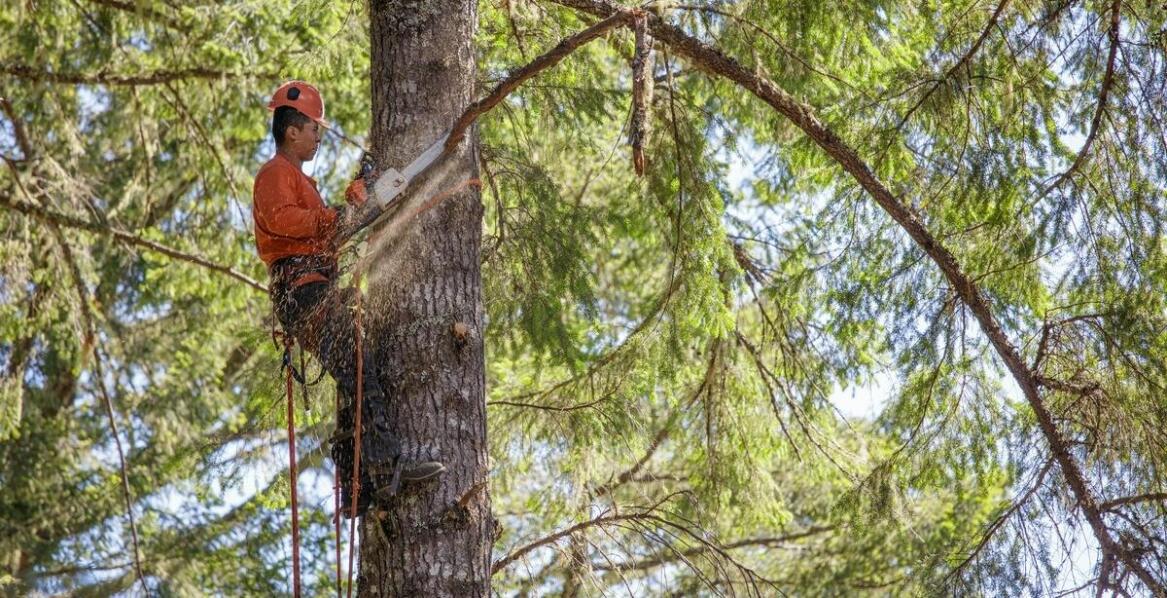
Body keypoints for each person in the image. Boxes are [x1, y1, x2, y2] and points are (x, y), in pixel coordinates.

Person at [252, 81, 444, 517]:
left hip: (310, 287)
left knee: (350, 370)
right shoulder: (275, 174)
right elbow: (285, 221)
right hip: (301, 290)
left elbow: (319, 230)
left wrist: (355, 202)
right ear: (291, 132)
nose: (319, 137)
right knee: (358, 365)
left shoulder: (299, 180)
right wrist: (335, 216)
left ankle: (357, 489)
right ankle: (386, 466)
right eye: (313, 129)